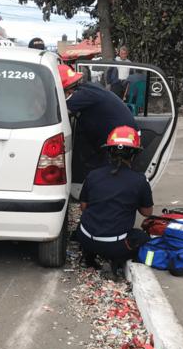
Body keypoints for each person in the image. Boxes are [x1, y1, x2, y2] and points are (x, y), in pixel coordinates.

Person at [74, 126, 154, 281]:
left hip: (85, 238)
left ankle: (88, 256)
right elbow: (147, 212)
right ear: (135, 154)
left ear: (109, 151)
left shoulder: (93, 175)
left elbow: (84, 207)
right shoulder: (139, 181)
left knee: (84, 225)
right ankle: (115, 262)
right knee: (142, 237)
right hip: (115, 246)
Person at [59, 64, 138, 184]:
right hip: (119, 131)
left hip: (121, 136)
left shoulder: (80, 96)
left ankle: (106, 192)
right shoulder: (87, 89)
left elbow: (58, 112)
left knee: (111, 174)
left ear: (65, 89)